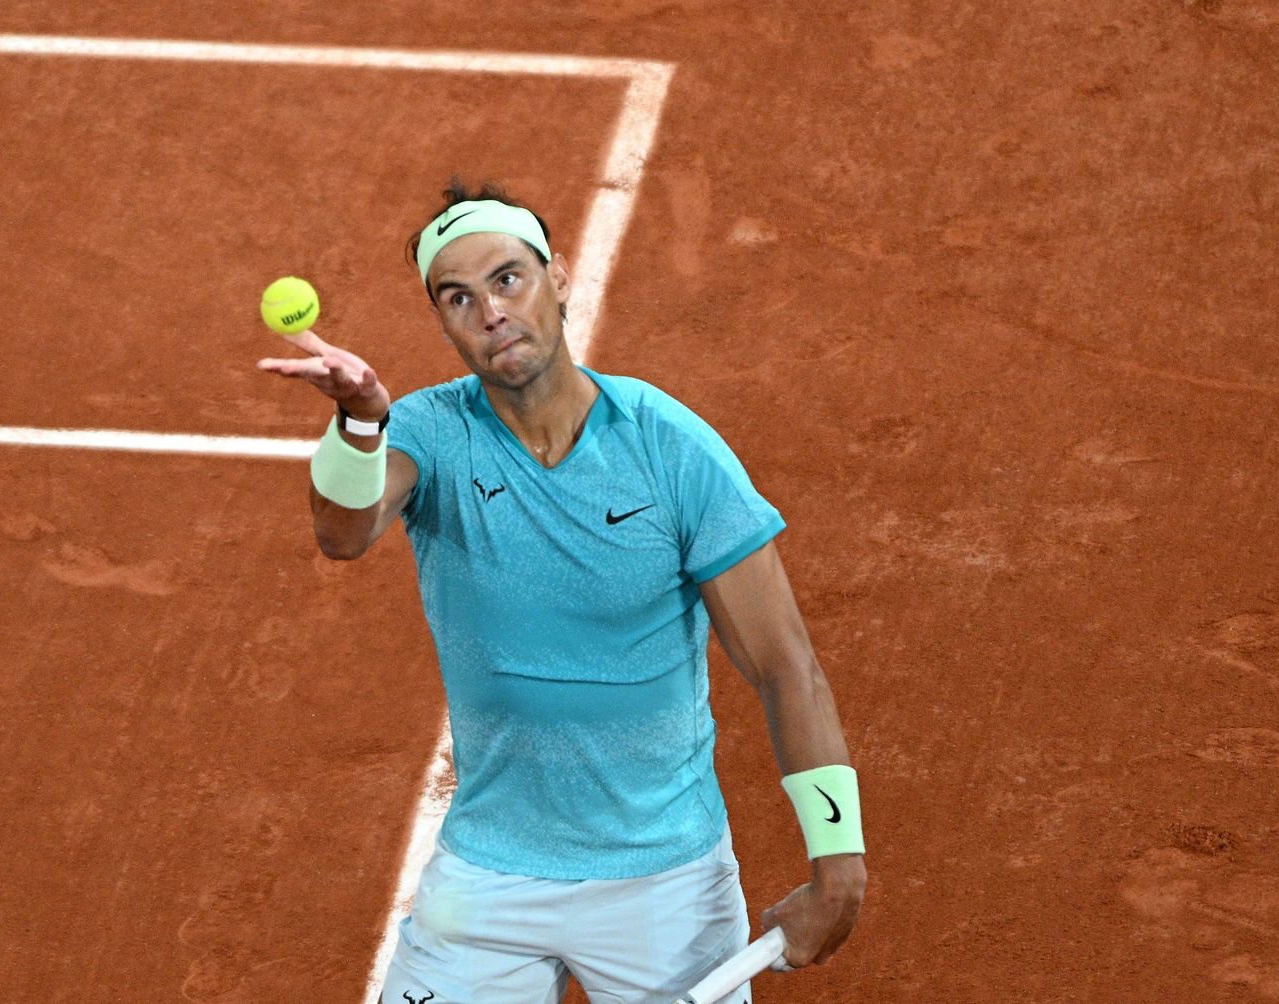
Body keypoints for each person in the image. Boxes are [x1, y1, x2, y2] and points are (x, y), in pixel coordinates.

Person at [257, 181, 865, 1003]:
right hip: (489, 878)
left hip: (666, 885)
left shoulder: (672, 449)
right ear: (442, 321)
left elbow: (785, 664)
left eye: (509, 280)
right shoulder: (430, 434)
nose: (491, 312)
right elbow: (343, 534)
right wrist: (360, 418)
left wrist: (839, 867)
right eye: (458, 297)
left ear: (561, 279)